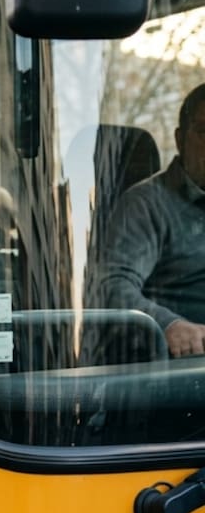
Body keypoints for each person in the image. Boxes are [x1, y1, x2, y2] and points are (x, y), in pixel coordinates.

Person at [97, 82, 205, 357]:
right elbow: (112, 285)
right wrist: (169, 325)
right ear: (180, 140)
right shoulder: (146, 204)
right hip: (182, 365)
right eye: (204, 132)